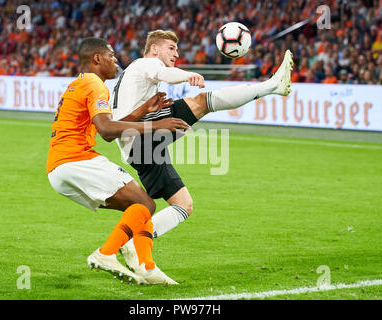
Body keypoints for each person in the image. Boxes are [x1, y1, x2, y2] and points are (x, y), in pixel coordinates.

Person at [109, 30, 293, 272]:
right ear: (154, 49)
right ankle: (272, 85)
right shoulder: (148, 62)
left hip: (138, 147)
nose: (176, 53)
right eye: (170, 48)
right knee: (204, 102)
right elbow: (164, 73)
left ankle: (136, 241)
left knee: (183, 205)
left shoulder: (132, 71)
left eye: (176, 49)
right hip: (142, 137)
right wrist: (188, 76)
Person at [46, 37, 191, 285]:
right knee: (146, 203)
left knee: (138, 210)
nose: (117, 62)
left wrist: (142, 111)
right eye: (112, 57)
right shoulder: (95, 84)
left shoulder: (78, 84)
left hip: (58, 171)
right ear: (97, 59)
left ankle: (146, 266)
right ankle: (106, 253)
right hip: (77, 159)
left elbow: (108, 130)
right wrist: (157, 124)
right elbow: (106, 130)